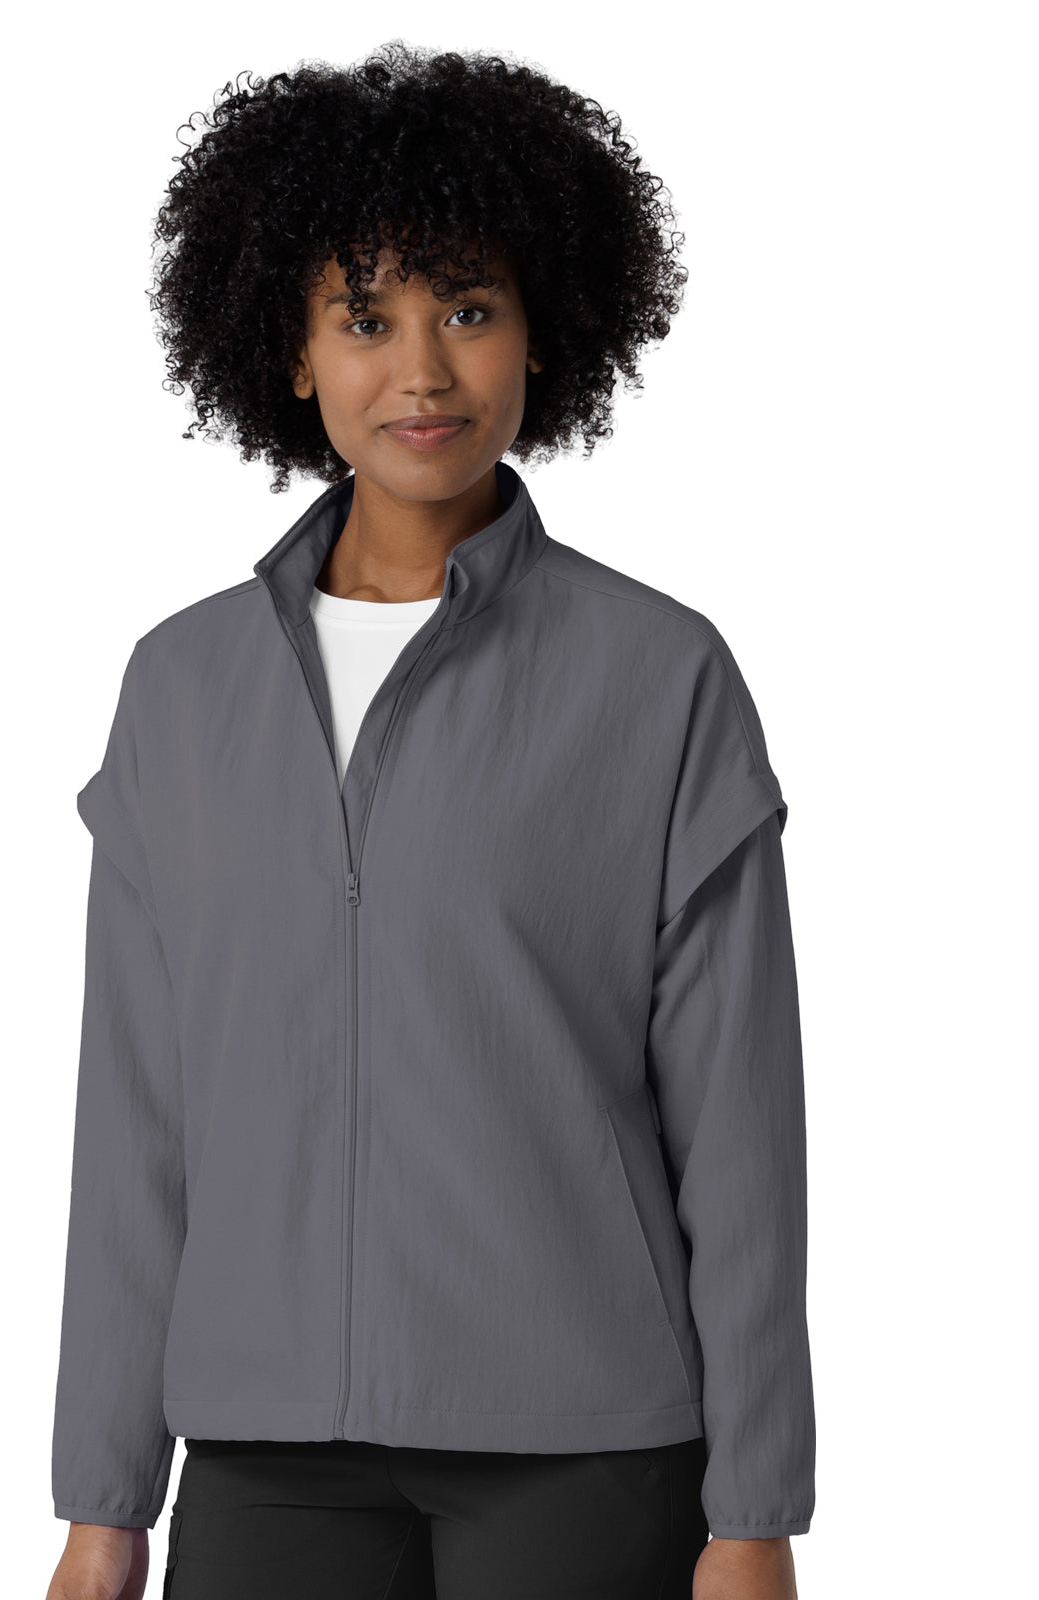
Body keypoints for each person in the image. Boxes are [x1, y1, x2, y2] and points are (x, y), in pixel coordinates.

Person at [46, 39, 814, 1600]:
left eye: (468, 309)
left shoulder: (659, 675)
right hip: (261, 1447)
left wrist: (756, 1515)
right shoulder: (180, 688)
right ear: (291, 351)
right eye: (365, 318)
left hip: (585, 1444)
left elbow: (742, 1137)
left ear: (543, 332)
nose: (423, 372)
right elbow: (135, 1124)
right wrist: (101, 1501)